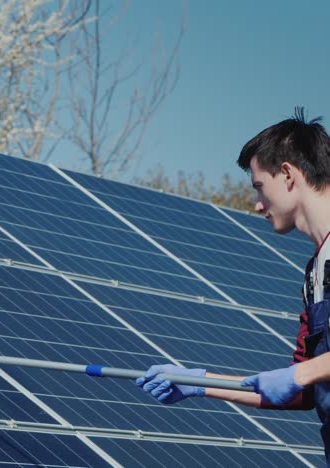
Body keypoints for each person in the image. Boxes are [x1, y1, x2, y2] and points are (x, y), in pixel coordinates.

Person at [136, 107, 330, 462]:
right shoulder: (316, 274)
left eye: (259, 187)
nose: (258, 205)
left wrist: (302, 373)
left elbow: (301, 376)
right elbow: (300, 390)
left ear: (288, 175)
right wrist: (201, 383)